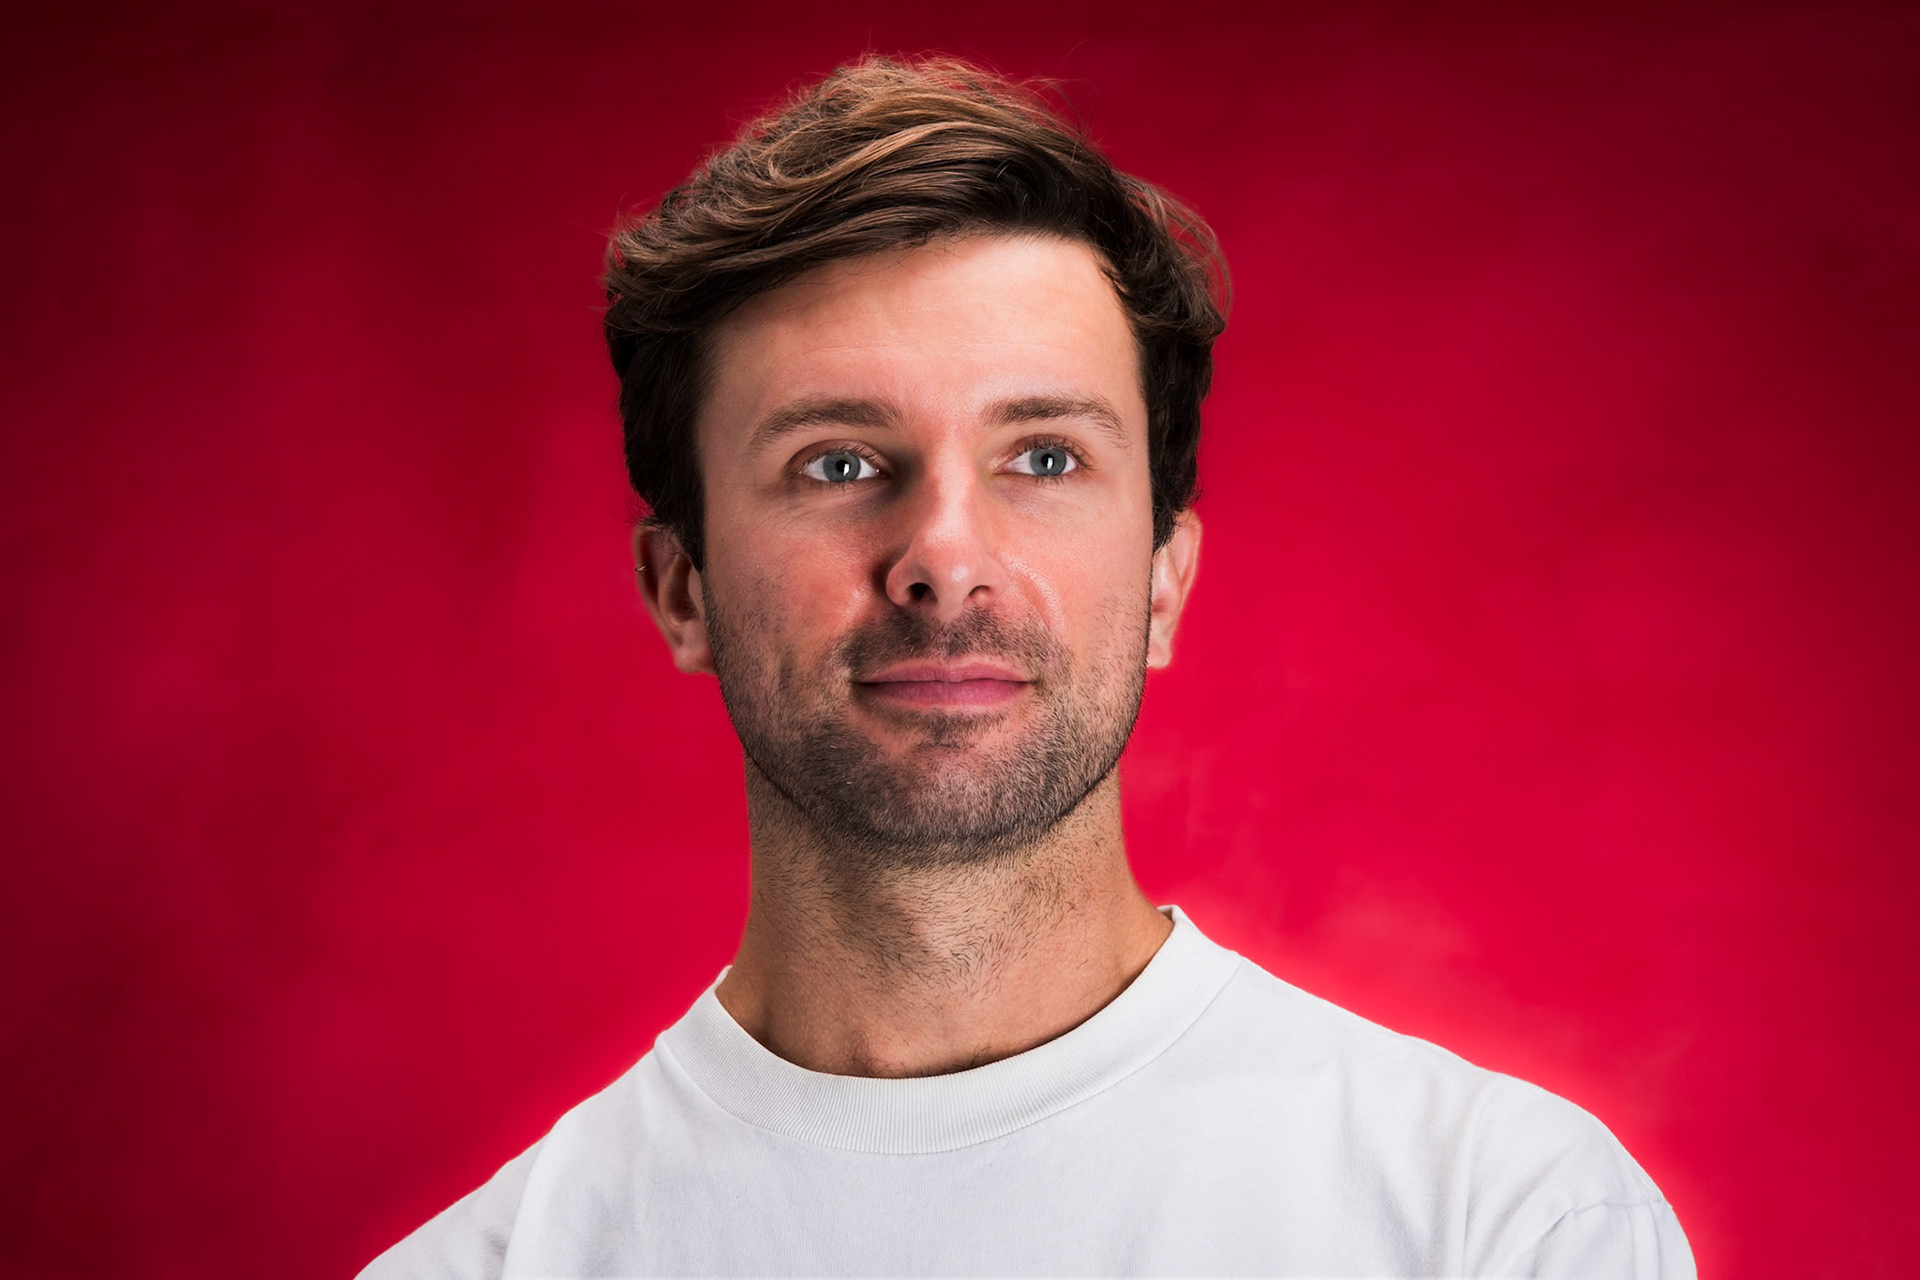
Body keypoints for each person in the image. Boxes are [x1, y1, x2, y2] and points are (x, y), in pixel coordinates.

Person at [362, 55, 1693, 1278]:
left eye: (1044, 459)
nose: (944, 560)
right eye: (836, 463)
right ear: (682, 588)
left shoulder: (1508, 1227)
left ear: (1166, 581)